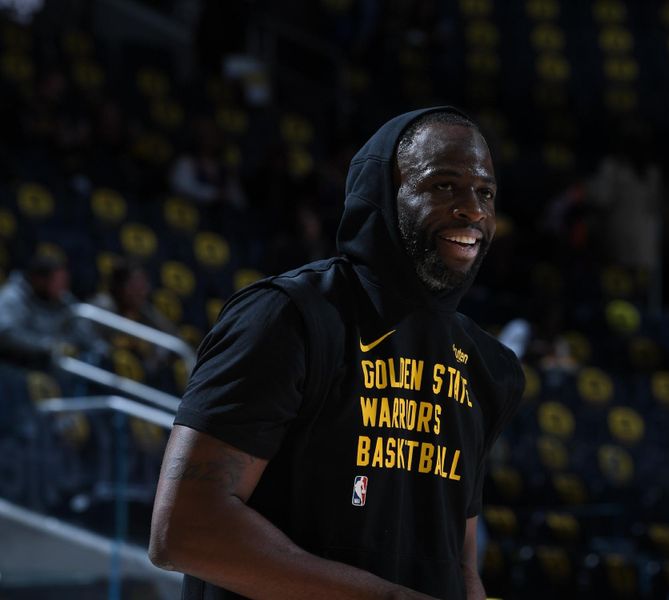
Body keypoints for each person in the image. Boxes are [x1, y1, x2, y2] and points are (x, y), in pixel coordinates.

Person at [149, 107, 524, 599]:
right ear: (382, 195)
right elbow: (185, 530)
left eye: (485, 192)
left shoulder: (486, 365)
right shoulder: (287, 317)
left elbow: (457, 558)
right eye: (443, 185)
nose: (473, 209)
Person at [0, 254, 107, 367]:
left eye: (65, 281)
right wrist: (48, 345)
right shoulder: (13, 296)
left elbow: (83, 332)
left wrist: (101, 349)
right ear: (39, 280)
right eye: (58, 281)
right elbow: (6, 335)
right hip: (15, 364)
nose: (63, 286)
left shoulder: (64, 299)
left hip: (52, 364)